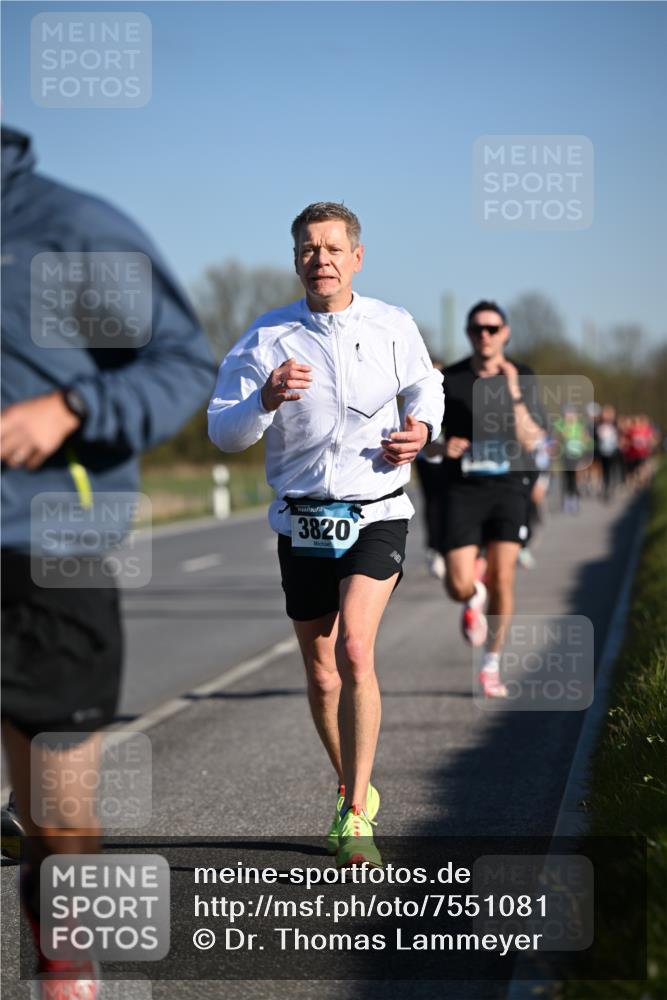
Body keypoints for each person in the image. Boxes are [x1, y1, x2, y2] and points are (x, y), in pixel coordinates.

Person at [1, 124, 215, 997]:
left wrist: (71, 406)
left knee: (55, 813)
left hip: (45, 546)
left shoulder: (65, 228)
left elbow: (180, 362)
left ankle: (66, 959)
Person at [208, 201, 444, 867]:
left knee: (356, 652)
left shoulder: (392, 324)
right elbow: (222, 431)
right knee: (320, 672)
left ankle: (352, 810)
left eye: (334, 248)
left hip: (376, 509)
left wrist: (420, 430)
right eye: (309, 249)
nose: (322, 259)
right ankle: (353, 785)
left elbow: (426, 388)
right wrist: (264, 399)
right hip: (303, 520)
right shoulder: (265, 337)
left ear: (356, 257)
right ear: (295, 261)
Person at [435, 301, 546, 697]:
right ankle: (473, 596)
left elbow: (533, 439)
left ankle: (491, 664)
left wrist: (513, 391)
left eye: (492, 328)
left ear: (505, 332)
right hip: (463, 488)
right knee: (457, 583)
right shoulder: (450, 379)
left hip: (509, 486)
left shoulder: (524, 376)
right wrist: (442, 445)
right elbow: (425, 440)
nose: (485, 334)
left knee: (504, 576)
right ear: (468, 334)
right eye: (477, 329)